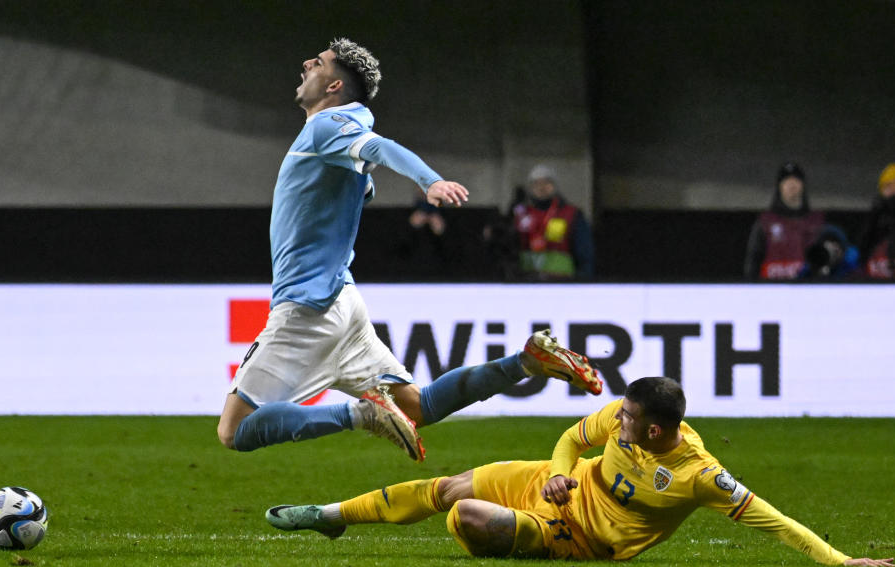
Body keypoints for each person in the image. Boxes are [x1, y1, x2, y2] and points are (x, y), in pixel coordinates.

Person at [216, 38, 604, 463]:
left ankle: (360, 414)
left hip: (307, 308)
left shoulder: (327, 126)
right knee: (418, 406)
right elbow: (362, 177)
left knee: (234, 430)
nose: (308, 62)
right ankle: (527, 362)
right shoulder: (334, 137)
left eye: (321, 61)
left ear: (334, 87)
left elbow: (380, 148)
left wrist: (430, 180)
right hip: (342, 303)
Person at [267, 376, 894, 567]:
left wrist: (840, 563)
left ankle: (521, 536)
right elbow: (570, 438)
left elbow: (772, 518)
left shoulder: (700, 474)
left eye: (626, 419)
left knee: (466, 516)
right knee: (448, 486)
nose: (614, 421)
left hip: (585, 538)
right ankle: (331, 517)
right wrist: (559, 475)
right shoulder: (620, 422)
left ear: (654, 430)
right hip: (559, 485)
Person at [744, 162, 827, 280]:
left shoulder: (817, 221)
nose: (791, 184)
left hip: (806, 288)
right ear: (780, 186)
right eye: (787, 181)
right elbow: (753, 260)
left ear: (802, 185)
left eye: (795, 180)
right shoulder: (765, 222)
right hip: (771, 289)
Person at [512, 165, 594, 281]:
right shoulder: (520, 215)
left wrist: (584, 281)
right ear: (530, 188)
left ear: (555, 186)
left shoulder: (571, 214)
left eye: (547, 182)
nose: (542, 187)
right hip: (527, 282)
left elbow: (585, 253)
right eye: (536, 183)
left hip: (562, 283)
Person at [858, 162, 895, 279]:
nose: (894, 190)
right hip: (877, 275)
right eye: (889, 186)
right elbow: (863, 248)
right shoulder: (874, 218)